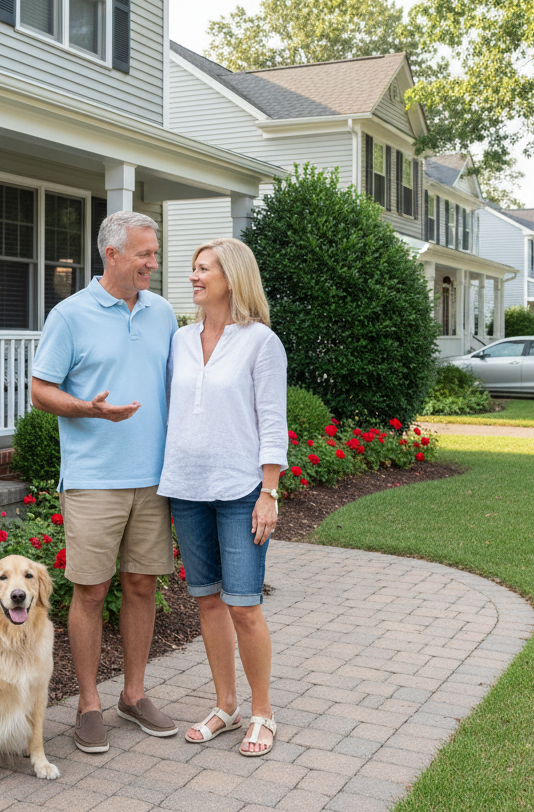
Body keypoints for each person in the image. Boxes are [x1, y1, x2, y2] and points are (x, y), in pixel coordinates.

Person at [30, 210, 179, 754]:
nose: (153, 263)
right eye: (144, 254)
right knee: (90, 590)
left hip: (154, 477)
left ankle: (133, 695)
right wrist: (88, 410)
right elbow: (40, 390)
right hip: (94, 479)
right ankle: (89, 703)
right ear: (112, 254)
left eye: (155, 253)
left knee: (143, 585)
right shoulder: (70, 315)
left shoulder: (163, 315)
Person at [157, 237, 287, 757]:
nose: (193, 276)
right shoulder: (181, 340)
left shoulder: (261, 342)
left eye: (203, 268)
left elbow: (272, 422)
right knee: (207, 601)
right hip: (186, 489)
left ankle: (263, 713)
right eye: (192, 268)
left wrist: (269, 491)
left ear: (231, 277)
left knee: (244, 606)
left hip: (240, 490)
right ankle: (226, 706)